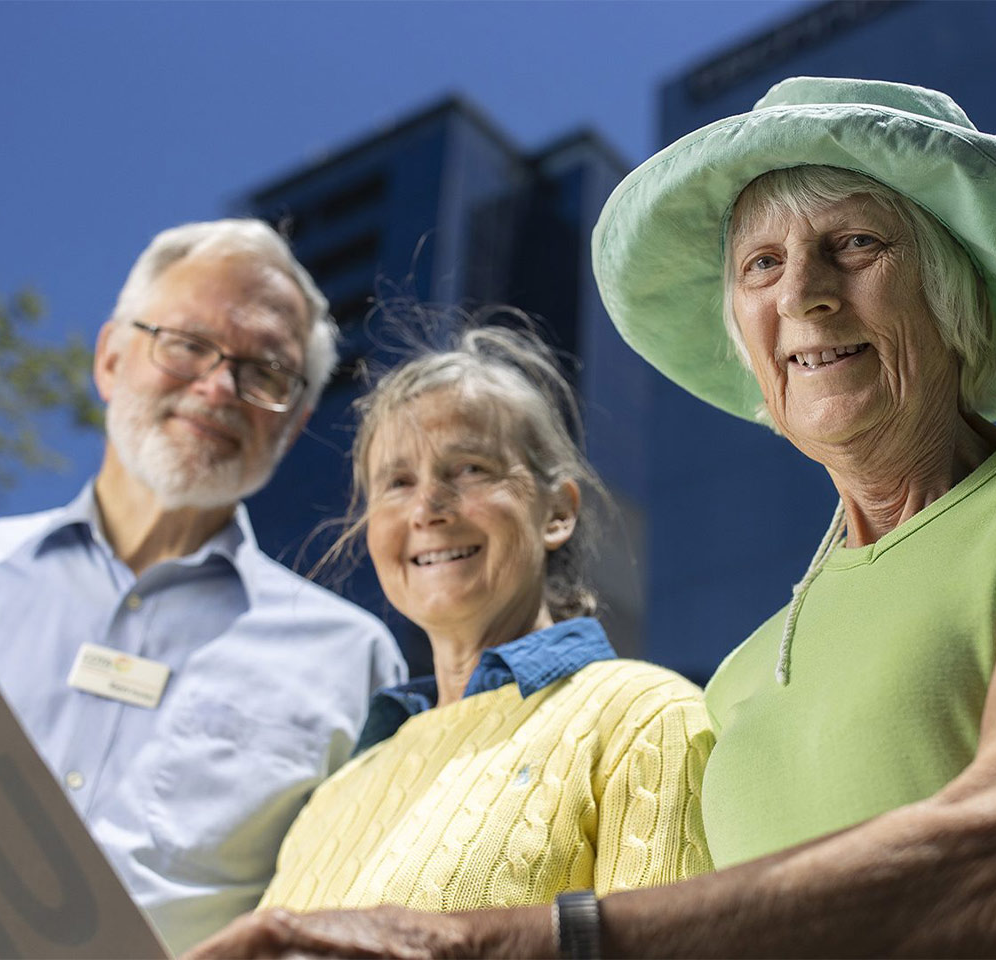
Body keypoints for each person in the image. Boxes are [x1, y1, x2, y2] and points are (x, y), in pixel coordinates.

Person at [187, 79, 996, 958]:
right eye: (762, 266)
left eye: (857, 244)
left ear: (954, 284)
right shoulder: (731, 687)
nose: (807, 296)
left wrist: (480, 944)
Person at [0, 219, 405, 953]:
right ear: (110, 358)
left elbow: (347, 914)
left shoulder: (350, 660)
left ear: (295, 423)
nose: (218, 387)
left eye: (265, 372)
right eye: (187, 344)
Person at [217, 325, 710, 927]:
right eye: (397, 483)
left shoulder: (643, 715)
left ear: (557, 513)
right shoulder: (337, 792)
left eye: (471, 468)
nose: (428, 508)